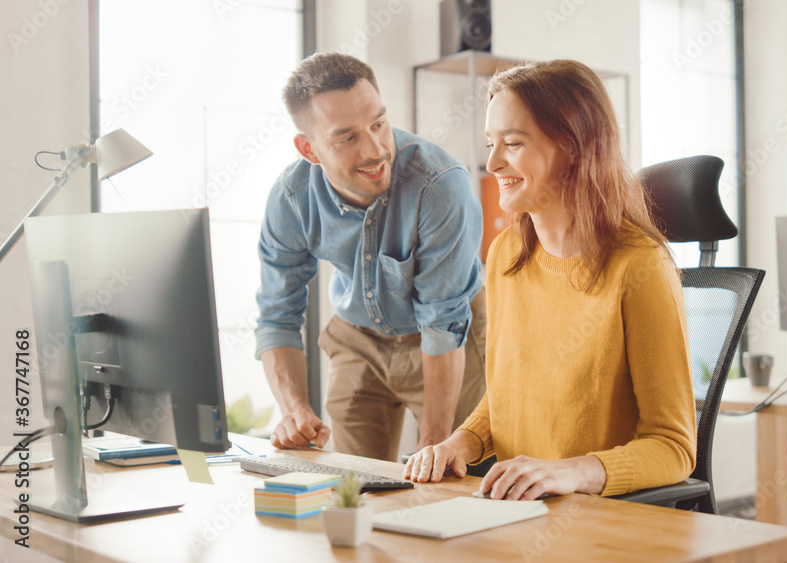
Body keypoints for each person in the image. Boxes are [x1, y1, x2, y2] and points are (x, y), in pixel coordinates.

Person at [403, 60, 697, 500]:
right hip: (514, 510)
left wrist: (571, 473)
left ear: (574, 147)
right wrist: (461, 442)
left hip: (601, 519)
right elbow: (507, 396)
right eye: (490, 143)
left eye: (513, 143)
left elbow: (673, 448)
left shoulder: (640, 267)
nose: (492, 162)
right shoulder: (506, 255)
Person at [254, 52, 487, 462]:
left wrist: (434, 440)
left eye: (379, 123)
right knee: (356, 488)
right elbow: (277, 315)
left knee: (461, 482)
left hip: (450, 335)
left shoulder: (440, 187)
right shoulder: (292, 198)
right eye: (347, 137)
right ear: (309, 148)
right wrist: (294, 411)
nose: (377, 149)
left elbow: (442, 322)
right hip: (357, 335)